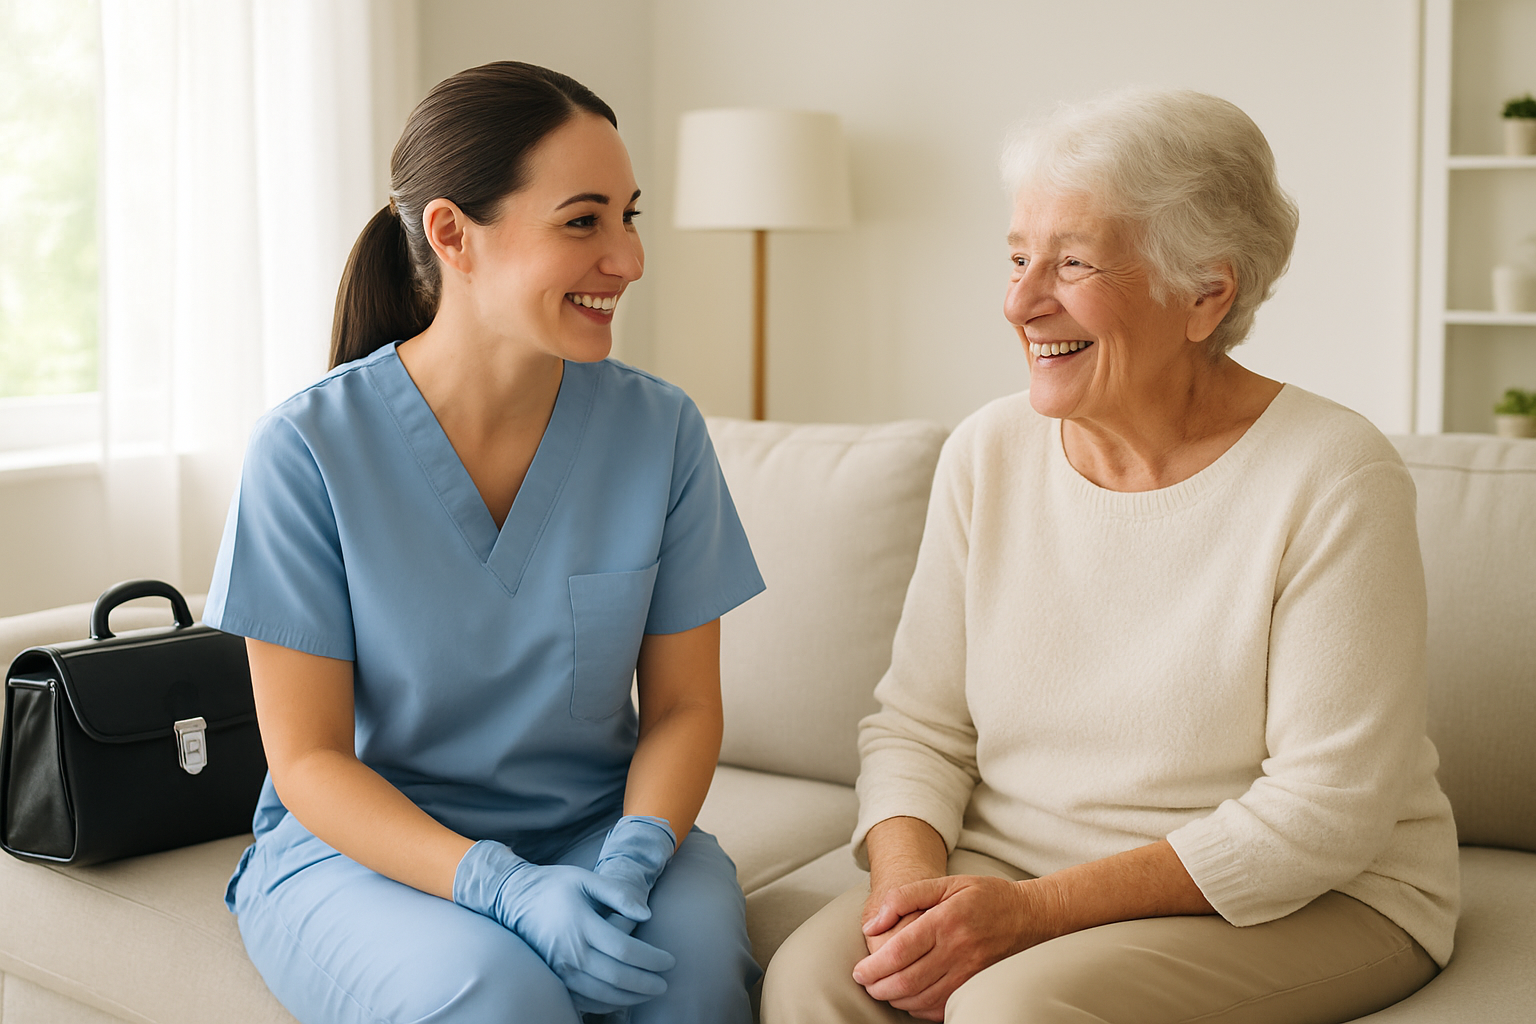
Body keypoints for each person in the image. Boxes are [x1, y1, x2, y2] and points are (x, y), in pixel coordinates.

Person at [761, 88, 1459, 1024]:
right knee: (815, 980)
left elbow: (1323, 812)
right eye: (1016, 258)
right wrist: (906, 900)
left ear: (1206, 295)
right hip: (1009, 865)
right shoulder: (989, 451)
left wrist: (1034, 914)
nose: (1019, 302)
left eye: (1073, 264)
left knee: (1013, 1008)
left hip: (1311, 895)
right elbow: (919, 729)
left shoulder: (1333, 472)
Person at [204, 62, 764, 1024]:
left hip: (597, 832)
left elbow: (682, 707)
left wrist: (634, 855)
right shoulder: (308, 451)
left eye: (630, 217)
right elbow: (308, 762)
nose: (627, 259)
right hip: (366, 851)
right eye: (583, 221)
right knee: (500, 998)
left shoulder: (659, 431)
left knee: (694, 977)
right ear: (453, 235)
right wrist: (499, 887)